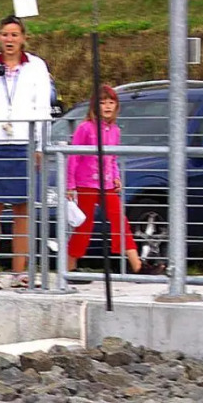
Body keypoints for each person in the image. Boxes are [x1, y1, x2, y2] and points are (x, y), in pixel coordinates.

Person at [0, 15, 55, 290]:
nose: (9, 40)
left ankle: (20, 272)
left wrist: (40, 145)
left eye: (15, 35)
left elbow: (43, 108)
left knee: (23, 208)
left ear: (23, 38)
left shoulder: (37, 66)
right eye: (5, 34)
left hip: (24, 141)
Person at [65, 85, 161, 278]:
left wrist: (116, 176)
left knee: (120, 221)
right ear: (95, 106)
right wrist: (70, 184)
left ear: (116, 106)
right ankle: (69, 267)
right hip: (85, 183)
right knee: (84, 225)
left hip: (107, 184)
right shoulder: (85, 128)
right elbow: (73, 156)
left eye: (111, 102)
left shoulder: (115, 130)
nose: (107, 107)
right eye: (102, 103)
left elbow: (113, 158)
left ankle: (137, 265)